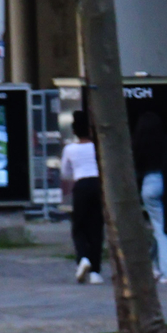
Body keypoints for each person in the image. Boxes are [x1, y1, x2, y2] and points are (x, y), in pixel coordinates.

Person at [131, 107, 167, 283]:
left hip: (149, 184)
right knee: (162, 229)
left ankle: (162, 269)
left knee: (159, 228)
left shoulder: (139, 144)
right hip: (166, 184)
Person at [60, 111, 104, 285]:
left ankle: (83, 257)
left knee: (79, 226)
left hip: (81, 186)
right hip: (97, 185)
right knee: (96, 227)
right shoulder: (97, 146)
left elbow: (65, 172)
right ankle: (96, 271)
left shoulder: (70, 149)